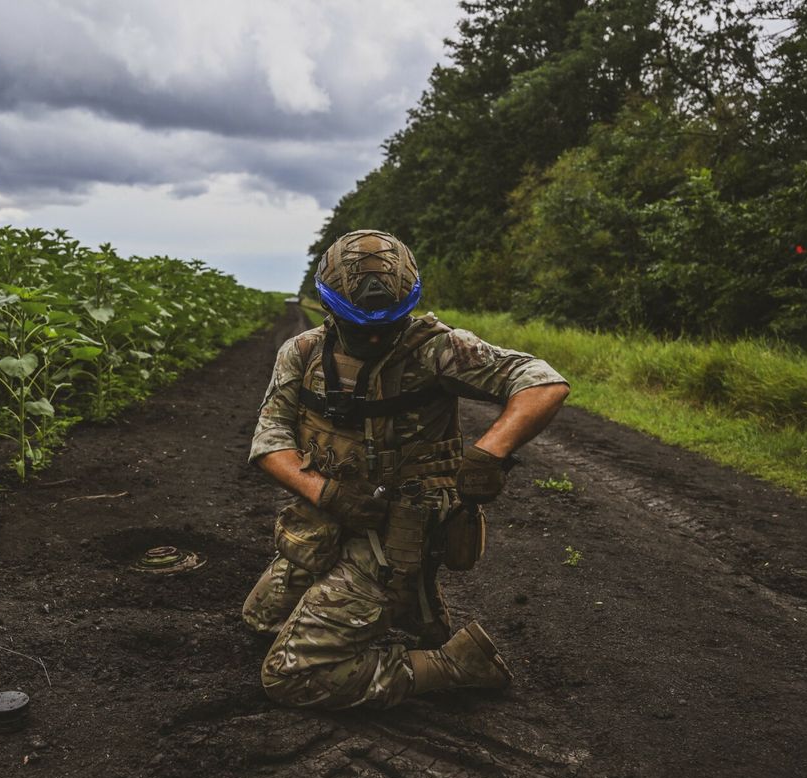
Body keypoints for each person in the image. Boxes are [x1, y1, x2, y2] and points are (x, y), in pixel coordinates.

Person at [243, 229, 569, 709]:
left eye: (389, 324)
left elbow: (543, 382)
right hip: (327, 519)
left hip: (394, 534)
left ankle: (457, 663)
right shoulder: (303, 353)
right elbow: (269, 441)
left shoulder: (437, 350)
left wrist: (490, 450)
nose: (375, 335)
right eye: (360, 325)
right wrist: (325, 494)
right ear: (330, 309)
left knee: (292, 676)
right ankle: (415, 617)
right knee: (259, 622)